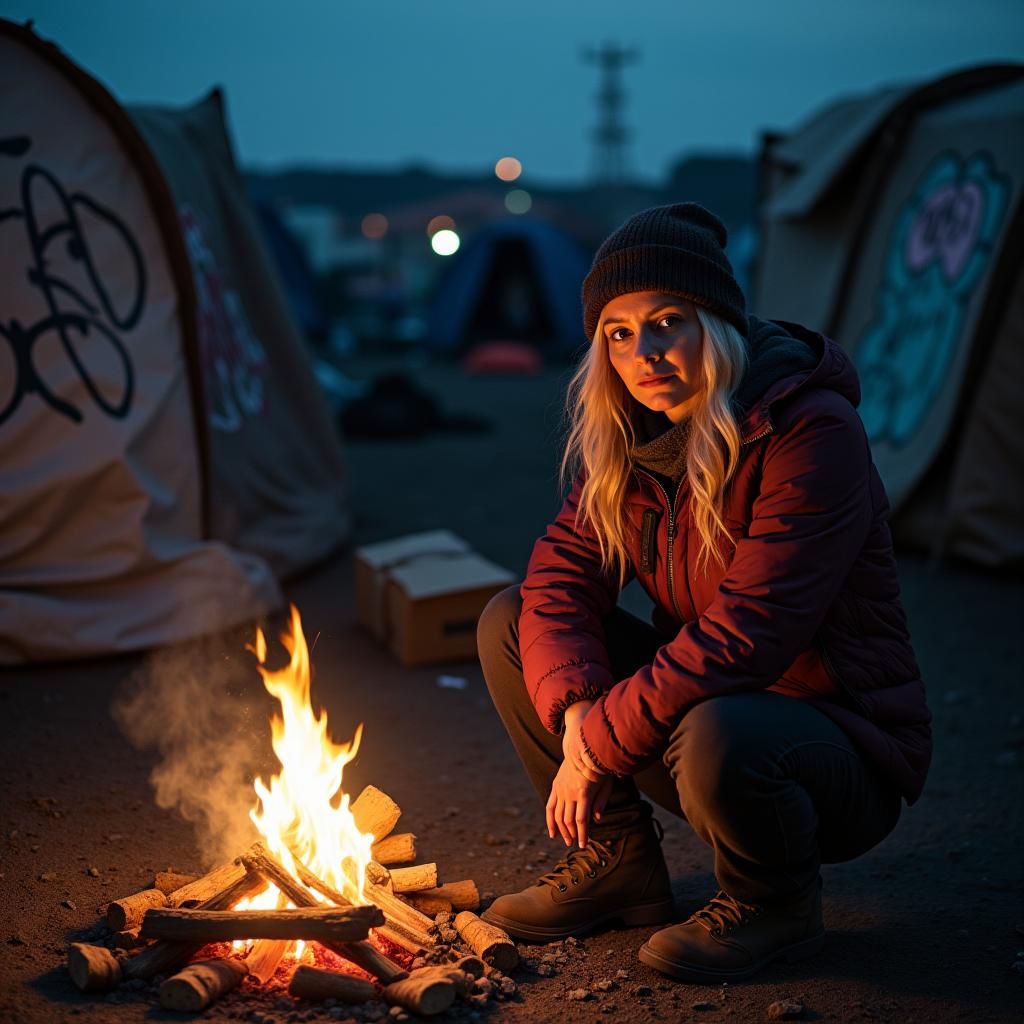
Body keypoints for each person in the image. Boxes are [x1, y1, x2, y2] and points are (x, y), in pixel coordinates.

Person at [476, 203, 932, 984]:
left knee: (723, 728)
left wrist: (591, 746)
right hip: (697, 716)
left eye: (665, 322)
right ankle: (615, 865)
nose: (643, 353)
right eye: (617, 333)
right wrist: (582, 710)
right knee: (512, 619)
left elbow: (750, 634)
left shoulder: (811, 432)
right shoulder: (635, 441)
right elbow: (559, 579)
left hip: (826, 749)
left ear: (715, 323)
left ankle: (774, 901)